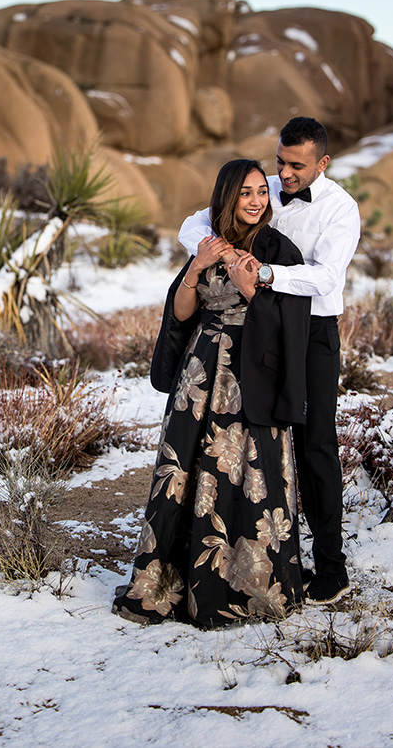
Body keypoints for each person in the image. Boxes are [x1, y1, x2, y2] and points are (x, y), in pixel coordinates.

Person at [112, 159, 311, 628]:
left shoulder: (282, 251)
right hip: (201, 372)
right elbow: (182, 312)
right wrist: (196, 268)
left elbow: (291, 324)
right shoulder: (208, 244)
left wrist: (252, 288)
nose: (257, 201)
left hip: (253, 373)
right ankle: (169, 580)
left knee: (250, 470)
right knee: (186, 468)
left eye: (263, 191)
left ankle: (245, 585)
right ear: (227, 197)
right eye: (246, 192)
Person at [177, 117, 361, 605]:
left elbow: (325, 278)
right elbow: (196, 221)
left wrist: (264, 274)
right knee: (264, 441)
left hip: (312, 332)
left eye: (296, 165)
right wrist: (214, 251)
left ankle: (331, 567)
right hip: (262, 327)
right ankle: (268, 556)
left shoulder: (341, 209)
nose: (285, 173)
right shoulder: (266, 189)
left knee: (315, 442)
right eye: (280, 160)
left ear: (322, 162)